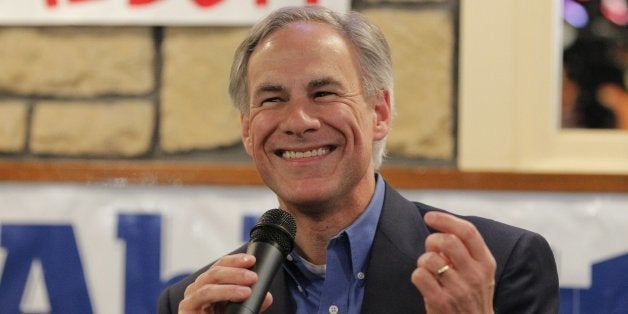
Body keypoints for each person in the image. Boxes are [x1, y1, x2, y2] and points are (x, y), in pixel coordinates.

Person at [158, 6, 559, 313]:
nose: (298, 121)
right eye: (273, 99)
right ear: (248, 130)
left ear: (379, 113)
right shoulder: (201, 301)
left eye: (324, 93)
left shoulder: (495, 268)